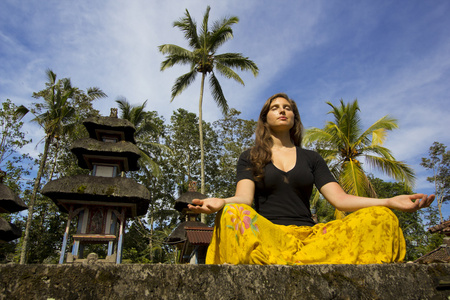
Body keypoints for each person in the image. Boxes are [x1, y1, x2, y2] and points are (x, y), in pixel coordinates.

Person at [188, 93, 435, 265]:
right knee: (232, 214)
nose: (282, 110)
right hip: (269, 236)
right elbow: (244, 199)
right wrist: (221, 202)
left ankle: (295, 261)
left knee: (381, 218)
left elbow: (340, 200)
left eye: (288, 108)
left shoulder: (312, 158)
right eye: (275, 107)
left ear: (294, 117)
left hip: (312, 238)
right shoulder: (250, 157)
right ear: (265, 119)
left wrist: (390, 201)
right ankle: (281, 259)